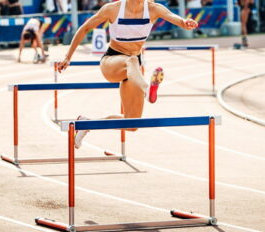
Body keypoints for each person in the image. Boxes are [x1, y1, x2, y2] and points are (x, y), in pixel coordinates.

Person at [58, 0, 198, 149]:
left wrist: (185, 22)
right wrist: (68, 57)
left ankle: (87, 124)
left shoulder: (153, 9)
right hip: (112, 62)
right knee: (131, 60)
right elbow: (85, 28)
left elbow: (175, 18)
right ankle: (148, 89)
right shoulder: (113, 9)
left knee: (132, 123)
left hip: (133, 71)